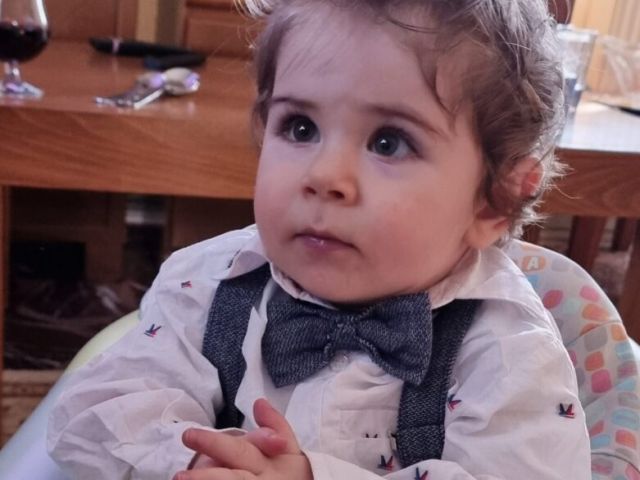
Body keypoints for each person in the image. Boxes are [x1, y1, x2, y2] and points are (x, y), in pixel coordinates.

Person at [47, 0, 591, 478]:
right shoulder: (208, 285)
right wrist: (197, 459)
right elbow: (94, 411)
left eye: (389, 142)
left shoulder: (509, 352)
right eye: (300, 127)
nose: (324, 175)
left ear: (494, 200)